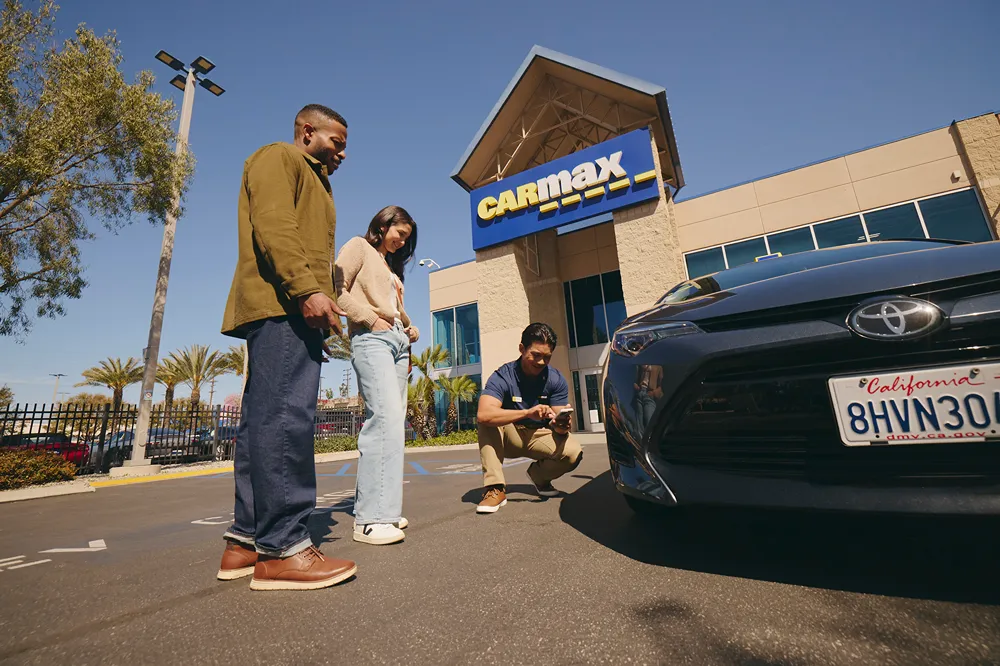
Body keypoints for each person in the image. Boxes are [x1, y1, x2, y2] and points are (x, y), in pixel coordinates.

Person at [217, 104, 357, 591]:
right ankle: (283, 551)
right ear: (307, 131)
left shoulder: (314, 177)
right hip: (284, 306)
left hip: (287, 306)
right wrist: (306, 288)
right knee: (285, 420)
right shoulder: (279, 157)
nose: (342, 152)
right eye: (336, 141)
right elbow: (274, 224)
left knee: (262, 421)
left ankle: (246, 542)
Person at [334, 206, 419, 545]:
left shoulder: (389, 266)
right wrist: (370, 320)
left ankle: (384, 507)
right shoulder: (359, 246)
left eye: (407, 239)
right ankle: (370, 520)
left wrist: (409, 327)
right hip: (372, 339)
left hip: (397, 340)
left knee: (394, 425)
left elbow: (394, 309)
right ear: (384, 225)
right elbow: (337, 289)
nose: (402, 242)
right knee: (382, 420)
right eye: (400, 234)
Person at [475, 323, 582, 514]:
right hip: (509, 435)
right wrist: (527, 413)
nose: (541, 362)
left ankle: (539, 477)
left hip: (538, 435)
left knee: (574, 452)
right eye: (536, 355)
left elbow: (559, 424)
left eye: (547, 357)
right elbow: (484, 414)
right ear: (522, 349)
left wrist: (561, 424)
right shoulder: (503, 376)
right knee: (487, 421)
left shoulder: (556, 379)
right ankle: (495, 488)